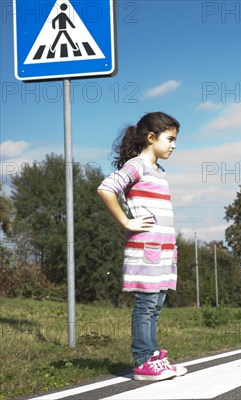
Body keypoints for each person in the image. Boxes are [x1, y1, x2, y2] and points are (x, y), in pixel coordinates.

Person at [97, 112, 187, 381]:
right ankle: (143, 360)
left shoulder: (159, 170)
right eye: (170, 139)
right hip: (145, 248)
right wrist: (126, 221)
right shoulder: (138, 166)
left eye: (175, 140)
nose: (173, 145)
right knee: (146, 305)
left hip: (162, 251)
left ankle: (153, 356)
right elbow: (106, 188)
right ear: (151, 137)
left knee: (156, 306)